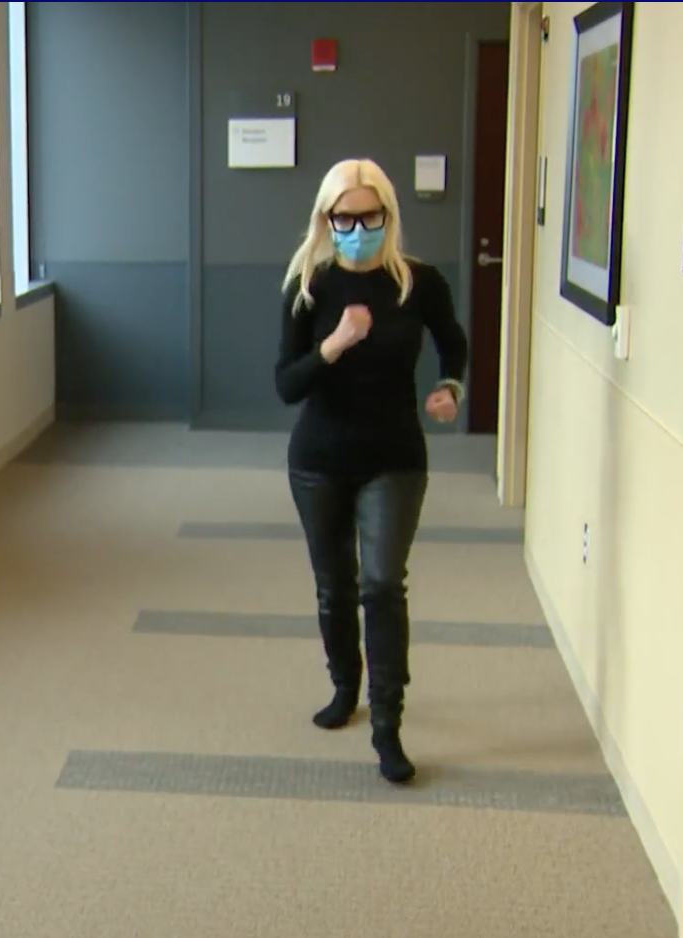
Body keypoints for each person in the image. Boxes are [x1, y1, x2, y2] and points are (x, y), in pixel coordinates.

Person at [274, 158, 469, 785]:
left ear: (388, 214)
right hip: (318, 463)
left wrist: (449, 387)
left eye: (370, 216)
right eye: (345, 218)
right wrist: (334, 344)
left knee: (382, 584)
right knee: (334, 585)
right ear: (327, 221)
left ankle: (388, 726)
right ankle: (344, 688)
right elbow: (286, 384)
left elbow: (454, 343)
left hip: (395, 458)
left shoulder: (419, 283)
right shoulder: (307, 286)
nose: (358, 228)